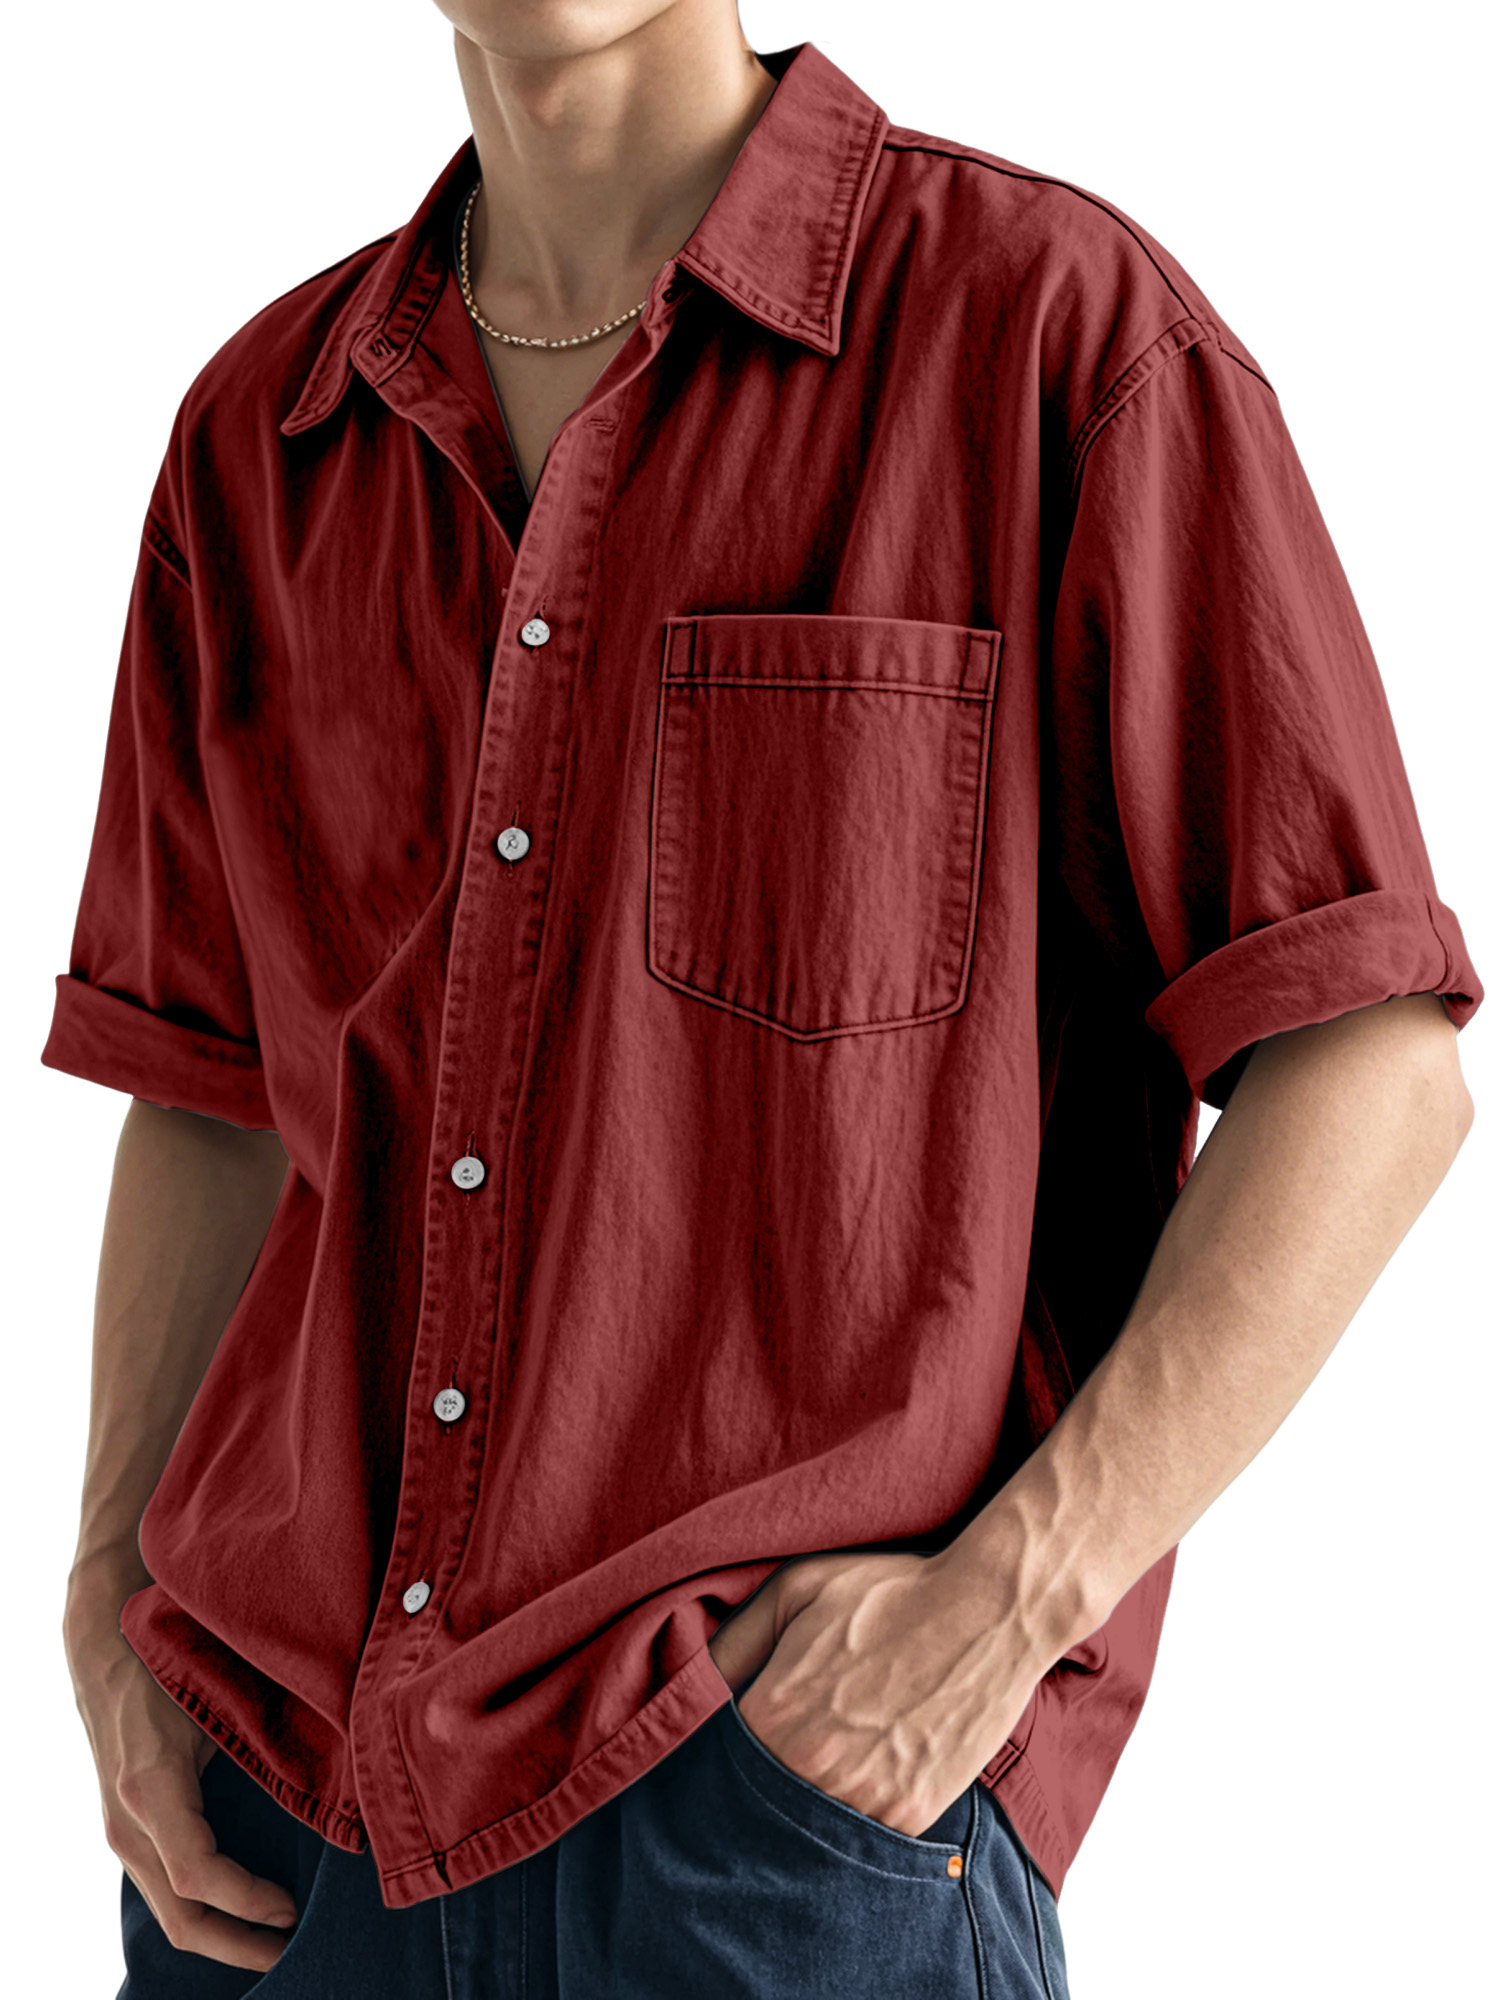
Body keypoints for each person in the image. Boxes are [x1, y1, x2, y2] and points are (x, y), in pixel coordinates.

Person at [47, 4, 1482, 1997]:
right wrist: (104, 1593)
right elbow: (211, 1089)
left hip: (773, 1825)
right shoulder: (261, 435)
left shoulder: (1050, 332)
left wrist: (1008, 1602)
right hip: (282, 1838)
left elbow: (1367, 1056)